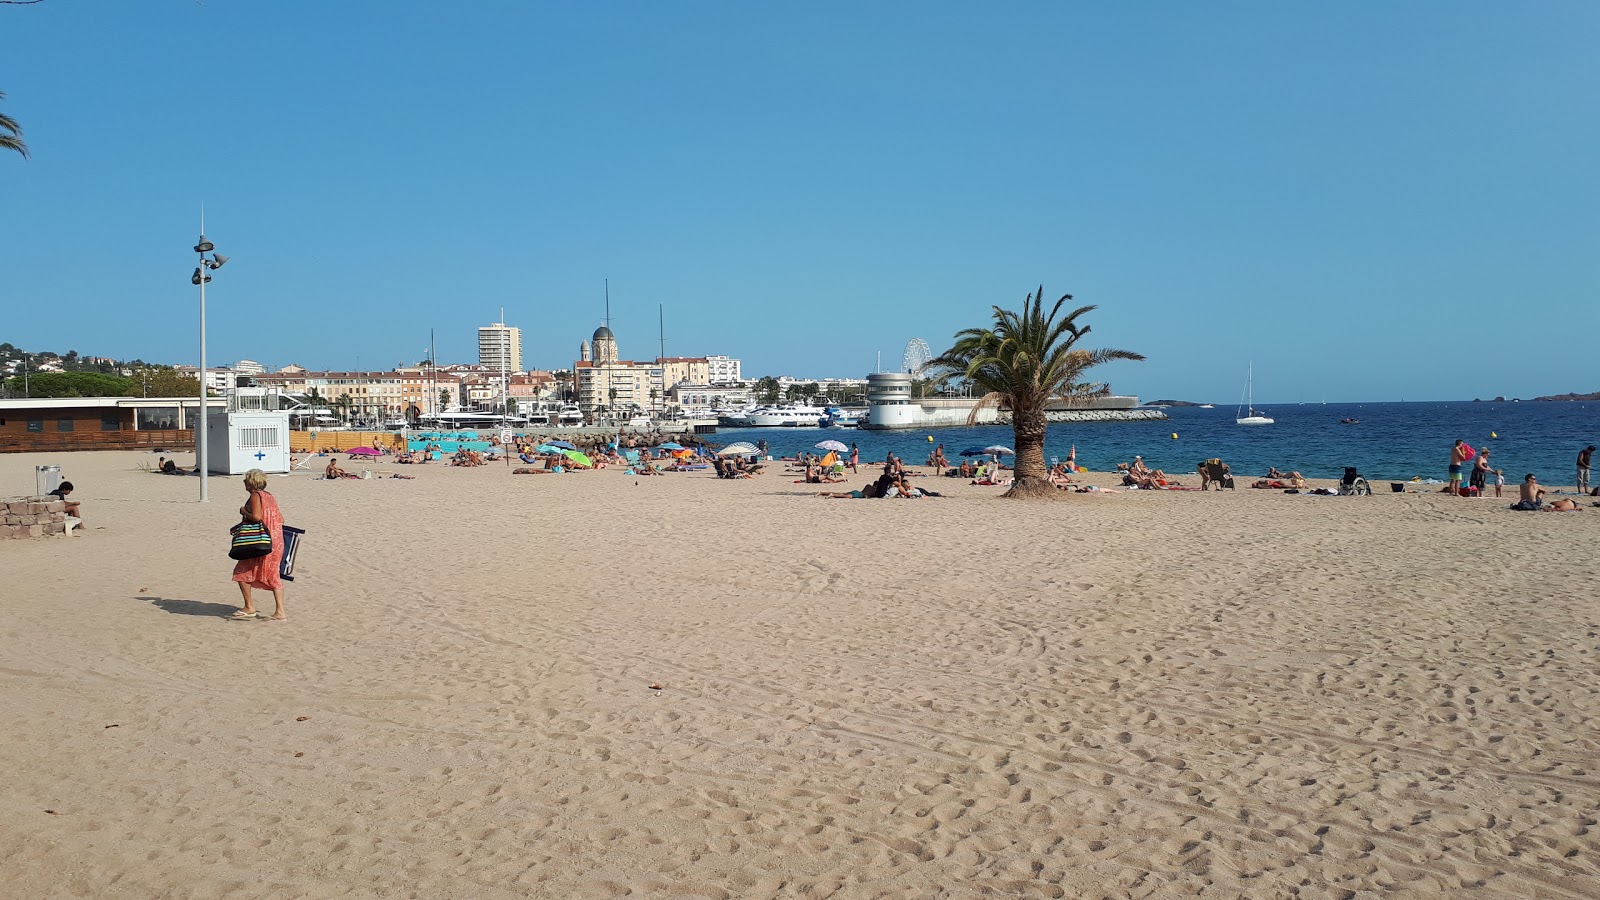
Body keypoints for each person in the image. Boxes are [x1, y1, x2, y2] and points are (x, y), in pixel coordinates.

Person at [231, 469, 286, 620]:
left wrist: (243, 511)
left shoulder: (255, 496)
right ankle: (280, 611)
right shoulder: (269, 496)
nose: (244, 483)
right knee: (273, 574)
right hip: (276, 540)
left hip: (259, 541)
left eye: (245, 480)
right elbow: (281, 518)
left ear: (251, 482)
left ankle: (249, 607)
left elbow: (256, 517)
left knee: (241, 571)